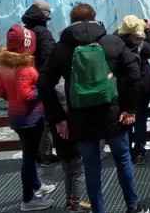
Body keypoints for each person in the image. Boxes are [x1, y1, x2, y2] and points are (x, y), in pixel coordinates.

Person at [38, 3, 148, 213]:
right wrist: (130, 108)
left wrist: (58, 117)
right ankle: (133, 207)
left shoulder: (62, 49)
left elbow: (43, 84)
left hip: (80, 119)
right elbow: (134, 72)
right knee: (123, 160)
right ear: (95, 17)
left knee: (91, 168)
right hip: (113, 114)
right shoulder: (111, 42)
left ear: (71, 21)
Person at [0, 25, 56, 211]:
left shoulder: (5, 63)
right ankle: (28, 199)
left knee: (28, 153)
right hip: (30, 118)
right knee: (29, 158)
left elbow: (2, 91)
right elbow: (25, 94)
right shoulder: (22, 65)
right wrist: (41, 90)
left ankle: (37, 185)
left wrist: (13, 99)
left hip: (16, 117)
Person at [115, 15, 150, 166]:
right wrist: (148, 30)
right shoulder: (142, 45)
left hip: (123, 88)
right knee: (140, 120)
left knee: (125, 120)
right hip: (142, 87)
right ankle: (139, 152)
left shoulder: (116, 43)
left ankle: (126, 151)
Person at [22, 0, 60, 166]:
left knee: (32, 117)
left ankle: (35, 154)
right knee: (44, 118)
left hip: (25, 80)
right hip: (40, 80)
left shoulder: (25, 32)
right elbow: (51, 55)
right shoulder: (42, 33)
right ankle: (45, 155)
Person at [50, 82, 90, 212]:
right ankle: (76, 202)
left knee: (68, 172)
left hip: (60, 146)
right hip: (73, 145)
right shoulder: (71, 112)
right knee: (78, 172)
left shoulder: (55, 114)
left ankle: (69, 200)